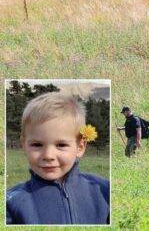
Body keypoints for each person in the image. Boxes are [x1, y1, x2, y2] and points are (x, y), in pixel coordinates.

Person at [6, 92, 110, 225]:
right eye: (37, 145)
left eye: (61, 145)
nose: (48, 155)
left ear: (80, 146)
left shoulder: (104, 191)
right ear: (24, 145)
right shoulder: (11, 202)